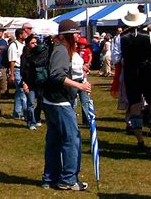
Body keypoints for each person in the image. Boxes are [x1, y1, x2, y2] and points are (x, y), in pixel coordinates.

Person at [42, 20, 91, 191]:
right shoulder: (62, 50)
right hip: (60, 102)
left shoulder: (58, 48)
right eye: (76, 33)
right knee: (72, 140)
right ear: (67, 35)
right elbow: (57, 75)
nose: (78, 36)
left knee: (54, 140)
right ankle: (68, 179)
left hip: (50, 100)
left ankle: (50, 177)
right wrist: (80, 86)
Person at [111, 8, 151, 148]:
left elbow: (115, 58)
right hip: (147, 71)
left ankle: (140, 140)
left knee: (134, 105)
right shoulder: (149, 36)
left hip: (131, 72)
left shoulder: (119, 38)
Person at [20, 33, 47, 130]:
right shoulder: (24, 56)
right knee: (31, 103)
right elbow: (22, 70)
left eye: (36, 43)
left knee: (41, 102)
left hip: (39, 81)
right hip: (29, 82)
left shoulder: (39, 53)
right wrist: (24, 83)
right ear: (27, 44)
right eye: (32, 43)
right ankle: (31, 121)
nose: (35, 45)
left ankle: (37, 117)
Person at [9, 28, 27, 119]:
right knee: (22, 91)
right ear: (20, 35)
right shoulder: (13, 45)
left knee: (19, 92)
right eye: (25, 33)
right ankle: (27, 113)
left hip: (23, 69)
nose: (26, 35)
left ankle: (16, 112)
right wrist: (11, 74)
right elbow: (12, 61)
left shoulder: (23, 44)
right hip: (16, 70)